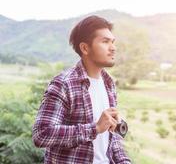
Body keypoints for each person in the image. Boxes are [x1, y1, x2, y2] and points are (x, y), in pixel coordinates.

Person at [32, 15, 131, 164]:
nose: (113, 48)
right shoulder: (64, 84)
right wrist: (95, 128)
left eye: (112, 42)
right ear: (85, 48)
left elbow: (111, 137)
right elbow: (42, 134)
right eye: (105, 42)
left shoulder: (109, 84)